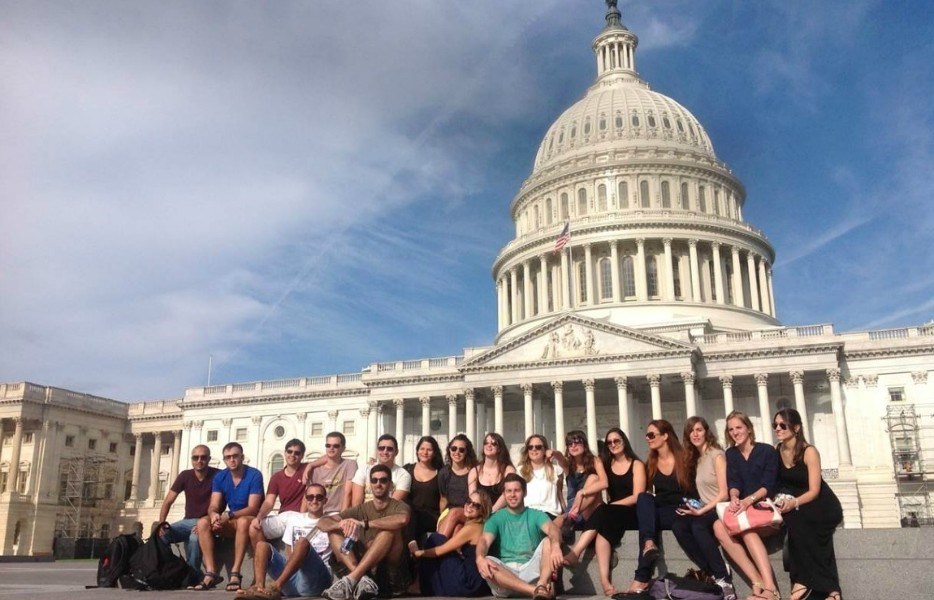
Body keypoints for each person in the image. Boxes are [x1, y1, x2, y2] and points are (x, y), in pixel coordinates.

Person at [773, 409, 843, 600]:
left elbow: (814, 490)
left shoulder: (809, 451)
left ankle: (802, 579)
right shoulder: (776, 451)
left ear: (796, 428)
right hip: (798, 505)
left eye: (783, 425)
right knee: (793, 519)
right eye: (775, 425)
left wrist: (793, 502)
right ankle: (832, 591)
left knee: (801, 523)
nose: (778, 428)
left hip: (822, 504)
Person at [319, 464, 411, 600]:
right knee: (333, 531)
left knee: (388, 532)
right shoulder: (360, 509)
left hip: (389, 576)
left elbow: (402, 520)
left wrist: (365, 524)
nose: (378, 484)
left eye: (383, 480)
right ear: (370, 485)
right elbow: (322, 523)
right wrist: (340, 523)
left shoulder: (399, 506)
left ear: (391, 485)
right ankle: (360, 577)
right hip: (363, 578)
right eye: (374, 480)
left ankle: (352, 579)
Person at [714, 411, 780, 600]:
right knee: (718, 527)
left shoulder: (767, 451)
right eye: (731, 429)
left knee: (748, 530)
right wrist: (734, 497)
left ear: (748, 429)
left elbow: (768, 485)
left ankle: (771, 589)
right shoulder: (731, 454)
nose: (735, 432)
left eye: (739, 427)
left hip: (764, 510)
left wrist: (748, 500)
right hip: (744, 510)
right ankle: (757, 581)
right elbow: (734, 482)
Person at [573, 428, 645, 596]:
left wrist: (611, 506)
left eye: (617, 441)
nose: (613, 444)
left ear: (624, 441)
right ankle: (605, 581)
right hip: (612, 513)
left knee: (603, 511)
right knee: (601, 533)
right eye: (609, 442)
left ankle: (576, 551)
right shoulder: (607, 464)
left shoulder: (637, 464)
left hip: (632, 512)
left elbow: (637, 496)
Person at [671, 417, 735, 600]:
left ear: (707, 432)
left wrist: (701, 510)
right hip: (705, 508)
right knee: (678, 526)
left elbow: (724, 493)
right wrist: (693, 506)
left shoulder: (716, 455)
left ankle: (724, 579)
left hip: (719, 507)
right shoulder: (696, 459)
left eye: (699, 430)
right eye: (691, 431)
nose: (695, 434)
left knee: (698, 526)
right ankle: (713, 571)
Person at [626, 419, 692, 594]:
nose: (647, 438)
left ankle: (641, 578)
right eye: (646, 435)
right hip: (662, 510)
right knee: (644, 498)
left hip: (681, 509)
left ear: (665, 436)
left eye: (651, 435)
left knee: (647, 524)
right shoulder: (651, 464)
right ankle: (649, 544)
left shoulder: (685, 459)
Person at [237, 483, 333, 599]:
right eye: (310, 497)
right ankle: (259, 588)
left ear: (325, 500)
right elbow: (289, 553)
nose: (314, 500)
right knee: (262, 545)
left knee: (302, 542)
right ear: (305, 499)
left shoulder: (332, 519)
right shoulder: (294, 519)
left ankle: (276, 587)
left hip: (317, 580)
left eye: (319, 497)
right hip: (293, 580)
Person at [475, 473, 564, 600]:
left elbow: (552, 529)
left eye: (516, 490)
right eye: (508, 491)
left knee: (548, 541)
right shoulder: (495, 518)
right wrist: (479, 558)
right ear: (504, 494)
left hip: (532, 571)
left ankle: (542, 584)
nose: (512, 495)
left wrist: (556, 546)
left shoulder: (535, 514)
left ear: (525, 492)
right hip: (505, 578)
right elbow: (484, 540)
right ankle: (536, 590)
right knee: (487, 560)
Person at [191, 441, 265, 591]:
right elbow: (214, 504)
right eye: (228, 457)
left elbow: (253, 508)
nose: (231, 460)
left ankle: (235, 573)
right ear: (224, 459)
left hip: (250, 519)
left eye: (235, 456)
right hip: (232, 520)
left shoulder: (254, 475)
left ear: (242, 457)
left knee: (244, 521)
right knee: (203, 523)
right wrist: (213, 516)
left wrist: (229, 515)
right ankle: (211, 573)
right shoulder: (221, 477)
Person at [409, 492, 492, 596]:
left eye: (476, 505)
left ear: (482, 510)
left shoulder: (472, 528)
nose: (470, 506)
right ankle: (425, 584)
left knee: (436, 539)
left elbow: (439, 551)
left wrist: (418, 553)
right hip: (476, 581)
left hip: (468, 581)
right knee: (450, 533)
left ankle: (422, 584)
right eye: (469, 501)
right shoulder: (478, 525)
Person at [157, 444, 219, 576]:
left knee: (194, 539)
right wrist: (162, 523)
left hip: (208, 523)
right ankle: (168, 569)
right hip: (188, 521)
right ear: (191, 459)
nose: (199, 461)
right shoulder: (185, 475)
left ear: (209, 459)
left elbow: (221, 504)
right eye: (195, 458)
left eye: (203, 457)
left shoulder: (218, 475)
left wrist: (205, 522)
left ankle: (192, 575)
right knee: (161, 535)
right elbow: (168, 501)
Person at [250, 439, 309, 550]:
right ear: (285, 453)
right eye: (289, 451)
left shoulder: (307, 469)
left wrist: (311, 466)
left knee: (294, 528)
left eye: (297, 453)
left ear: (302, 456)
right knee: (254, 528)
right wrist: (258, 518)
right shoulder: (276, 477)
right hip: (283, 516)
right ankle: (265, 559)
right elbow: (269, 502)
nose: (293, 455)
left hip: (301, 516)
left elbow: (325, 460)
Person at [559, 430, 607, 563]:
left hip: (587, 511)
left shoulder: (595, 461)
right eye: (569, 444)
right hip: (574, 511)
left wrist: (582, 492)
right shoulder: (569, 465)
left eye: (577, 442)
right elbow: (560, 459)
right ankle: (571, 517)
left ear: (584, 444)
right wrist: (555, 453)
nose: (573, 446)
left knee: (593, 477)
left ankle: (571, 518)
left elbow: (605, 482)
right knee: (593, 478)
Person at [404, 436, 443, 547]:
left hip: (430, 517)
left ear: (434, 452)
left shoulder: (440, 472)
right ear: (417, 451)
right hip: (411, 515)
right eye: (422, 449)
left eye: (429, 450)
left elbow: (443, 499)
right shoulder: (407, 469)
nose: (425, 452)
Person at [351, 434, 411, 505]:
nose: (385, 452)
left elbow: (393, 505)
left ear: (396, 452)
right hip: (363, 514)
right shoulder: (363, 470)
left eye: (389, 449)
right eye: (381, 448)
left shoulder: (403, 475)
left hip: (389, 515)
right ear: (377, 450)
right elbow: (356, 504)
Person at [307, 432, 358, 515]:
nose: (331, 448)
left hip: (338, 513)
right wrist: (302, 517)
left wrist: (342, 516)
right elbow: (307, 496)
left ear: (343, 448)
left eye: (336, 446)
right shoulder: (315, 470)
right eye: (328, 445)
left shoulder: (350, 464)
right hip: (319, 513)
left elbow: (347, 493)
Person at [437, 434, 478, 537]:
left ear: (467, 452)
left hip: (469, 511)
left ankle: (434, 549)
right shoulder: (444, 473)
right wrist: (441, 517)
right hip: (449, 511)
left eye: (461, 450)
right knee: (457, 528)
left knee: (455, 513)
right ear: (449, 450)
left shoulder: (474, 472)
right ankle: (450, 552)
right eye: (454, 448)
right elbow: (443, 498)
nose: (457, 452)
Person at [518, 434, 564, 518]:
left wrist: (565, 515)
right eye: (530, 447)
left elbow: (559, 495)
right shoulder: (519, 471)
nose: (534, 449)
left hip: (550, 514)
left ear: (545, 450)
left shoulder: (556, 470)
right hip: (528, 514)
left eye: (538, 447)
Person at [469, 432, 516, 512]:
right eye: (486, 443)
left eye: (494, 443)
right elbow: (473, 497)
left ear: (499, 449)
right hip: (479, 512)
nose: (489, 445)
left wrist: (491, 512)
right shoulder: (474, 471)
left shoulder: (508, 470)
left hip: (501, 512)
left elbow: (507, 494)